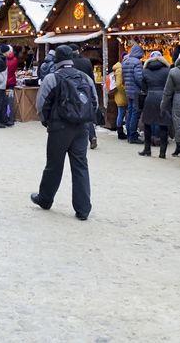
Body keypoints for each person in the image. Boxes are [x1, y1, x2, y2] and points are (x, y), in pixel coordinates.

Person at [30, 45, 96, 221]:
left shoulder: (52, 78)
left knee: (54, 165)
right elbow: (94, 102)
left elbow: (41, 104)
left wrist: (48, 122)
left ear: (56, 59)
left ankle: (45, 198)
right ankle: (83, 209)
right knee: (80, 166)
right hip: (81, 128)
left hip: (59, 127)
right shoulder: (85, 78)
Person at [139, 51, 173, 158]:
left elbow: (143, 88)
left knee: (147, 124)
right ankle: (162, 152)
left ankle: (147, 149)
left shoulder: (145, 71)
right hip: (163, 98)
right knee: (163, 125)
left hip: (150, 97)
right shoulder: (168, 71)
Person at [70, 46, 98, 150]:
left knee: (73, 113)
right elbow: (91, 77)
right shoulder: (87, 62)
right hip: (86, 89)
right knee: (86, 113)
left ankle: (75, 138)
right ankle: (92, 136)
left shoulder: (70, 63)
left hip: (72, 90)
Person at [121, 44, 146, 144]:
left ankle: (129, 134)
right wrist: (143, 87)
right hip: (136, 91)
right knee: (135, 113)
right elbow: (138, 78)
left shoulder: (125, 61)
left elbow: (124, 77)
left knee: (130, 112)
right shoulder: (137, 62)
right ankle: (133, 135)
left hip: (128, 90)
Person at [112, 53, 128, 140]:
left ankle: (120, 131)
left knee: (121, 113)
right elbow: (118, 84)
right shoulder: (120, 69)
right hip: (121, 94)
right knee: (121, 113)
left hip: (119, 94)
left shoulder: (118, 68)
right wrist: (124, 91)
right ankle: (120, 132)